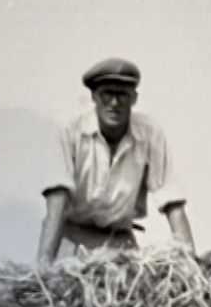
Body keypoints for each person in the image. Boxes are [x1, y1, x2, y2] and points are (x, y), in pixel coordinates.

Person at [37, 58, 194, 263]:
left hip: (119, 245)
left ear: (134, 99)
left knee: (137, 291)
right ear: (93, 96)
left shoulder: (149, 133)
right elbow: (58, 195)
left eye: (122, 95)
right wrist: (43, 262)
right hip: (72, 240)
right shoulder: (70, 129)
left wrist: (192, 268)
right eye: (107, 94)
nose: (114, 103)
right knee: (60, 290)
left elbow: (171, 198)